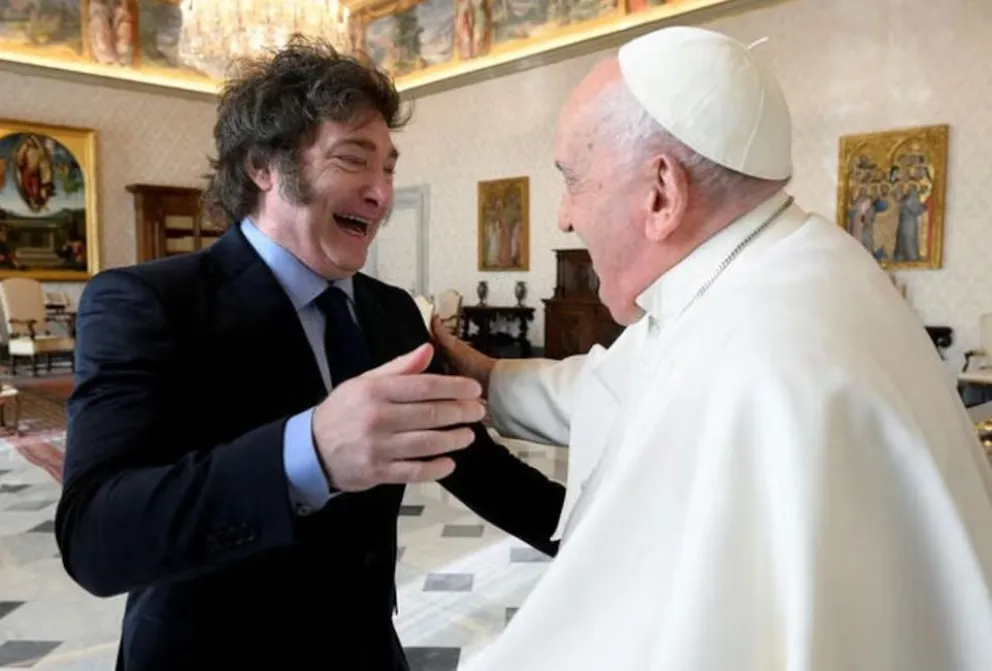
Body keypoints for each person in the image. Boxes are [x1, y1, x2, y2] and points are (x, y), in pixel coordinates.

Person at [433, 26, 992, 671]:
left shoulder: (754, 353)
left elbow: (617, 632)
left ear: (662, 194)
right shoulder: (790, 263)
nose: (563, 217)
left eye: (573, 180)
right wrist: (481, 376)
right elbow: (619, 384)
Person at [55, 36, 565, 670]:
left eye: (389, 168)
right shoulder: (145, 304)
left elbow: (479, 467)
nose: (382, 194)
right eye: (354, 160)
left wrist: (615, 541)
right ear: (264, 167)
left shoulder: (392, 313)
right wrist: (310, 453)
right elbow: (97, 538)